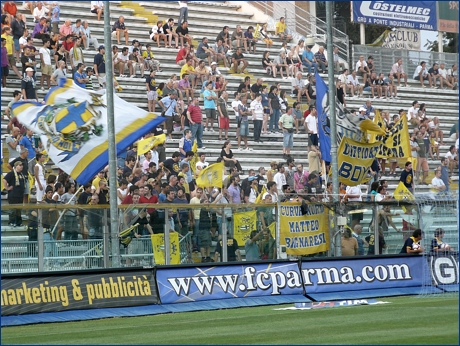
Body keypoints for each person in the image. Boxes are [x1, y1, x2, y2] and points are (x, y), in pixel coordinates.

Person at [3, 161, 26, 226]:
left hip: (20, 195)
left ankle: (18, 222)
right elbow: (4, 180)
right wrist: (7, 188)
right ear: (16, 166)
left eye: (22, 165)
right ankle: (11, 222)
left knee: (19, 209)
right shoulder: (12, 173)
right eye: (20, 165)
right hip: (13, 195)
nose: (21, 166)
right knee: (12, 209)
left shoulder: (21, 174)